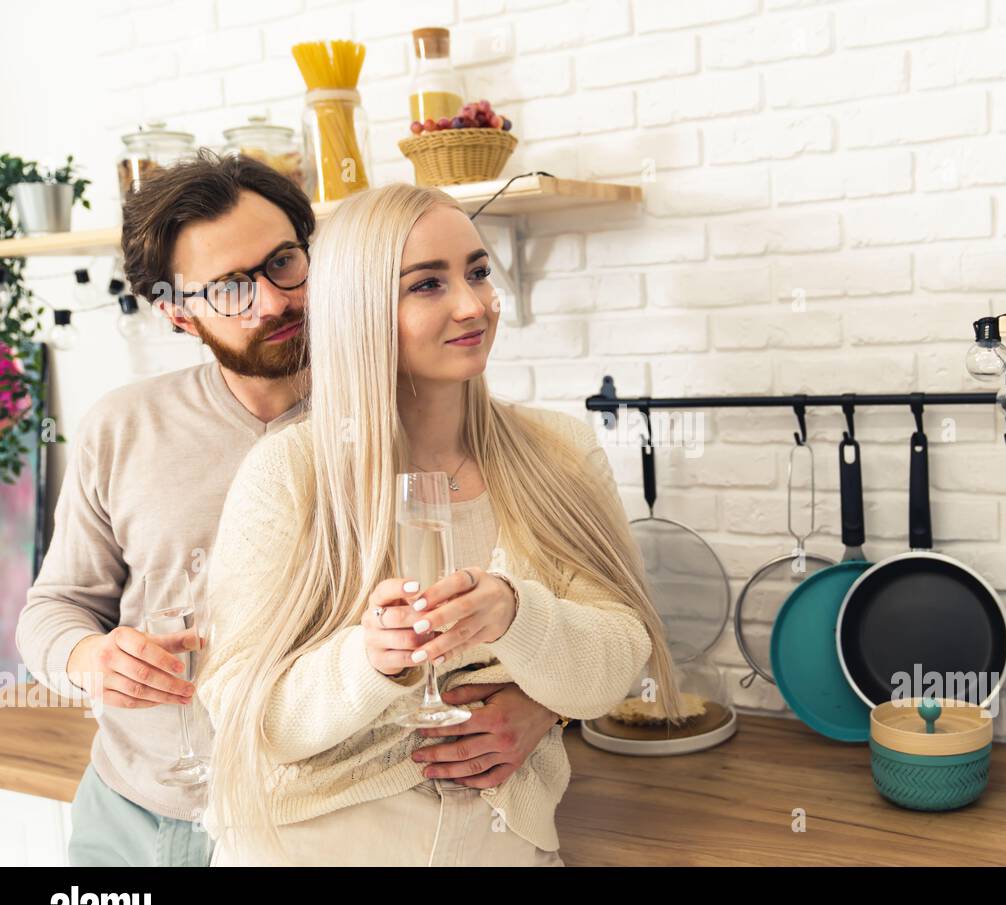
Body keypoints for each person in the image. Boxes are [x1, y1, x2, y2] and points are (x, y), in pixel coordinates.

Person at [15, 153, 560, 866]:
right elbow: (54, 607)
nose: (271, 303)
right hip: (133, 811)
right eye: (229, 289)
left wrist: (546, 710)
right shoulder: (123, 426)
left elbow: (531, 609)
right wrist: (88, 657)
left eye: (282, 264)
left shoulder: (419, 414)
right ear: (176, 313)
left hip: (312, 829)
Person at [197, 181, 683, 866]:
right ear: (360, 310)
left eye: (478, 272)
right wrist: (369, 659)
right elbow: (251, 717)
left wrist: (520, 619)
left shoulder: (559, 453)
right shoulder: (290, 473)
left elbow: (615, 666)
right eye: (427, 285)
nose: (474, 305)